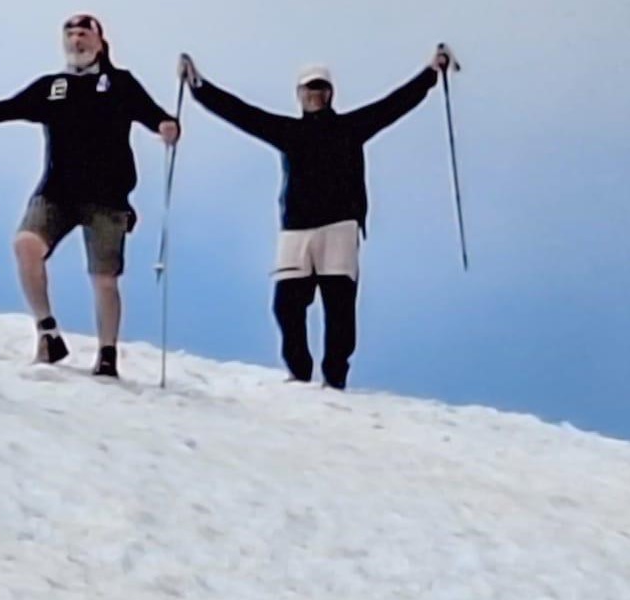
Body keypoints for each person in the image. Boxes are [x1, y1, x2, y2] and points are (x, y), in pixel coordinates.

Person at [177, 46, 453, 389]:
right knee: (286, 305)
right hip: (296, 230)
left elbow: (394, 104)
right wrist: (198, 86)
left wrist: (430, 72)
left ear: (330, 93)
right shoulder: (289, 132)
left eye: (320, 87)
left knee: (339, 308)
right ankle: (299, 371)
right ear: (299, 94)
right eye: (309, 88)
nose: (315, 94)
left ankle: (334, 377)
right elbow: (242, 114)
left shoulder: (351, 127)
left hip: (340, 226)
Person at [0, 14, 180, 376]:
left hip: (107, 195)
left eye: (84, 34)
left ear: (101, 42)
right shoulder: (52, 86)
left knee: (104, 278)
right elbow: (10, 107)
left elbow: (153, 115)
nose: (76, 41)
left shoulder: (119, 82)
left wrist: (165, 125)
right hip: (56, 191)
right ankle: (48, 333)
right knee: (26, 245)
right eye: (70, 35)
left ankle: (106, 355)